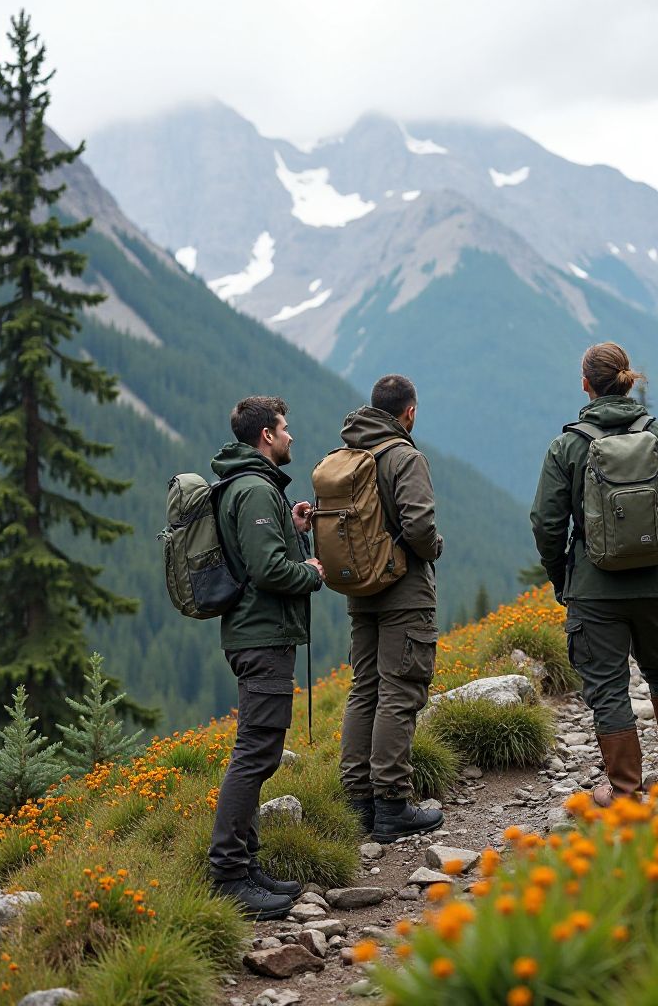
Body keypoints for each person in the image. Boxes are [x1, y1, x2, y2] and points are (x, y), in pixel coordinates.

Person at [530, 343, 658, 805]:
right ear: (627, 379)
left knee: (608, 688)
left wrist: (561, 577)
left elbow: (547, 524)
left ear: (586, 384)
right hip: (656, 583)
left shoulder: (567, 445)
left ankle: (627, 792)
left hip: (593, 590)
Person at [207, 396, 325, 919]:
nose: (291, 437)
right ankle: (228, 874)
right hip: (262, 638)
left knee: (260, 750)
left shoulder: (253, 486)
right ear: (266, 436)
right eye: (285, 428)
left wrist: (293, 530)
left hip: (256, 635)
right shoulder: (255, 488)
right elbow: (269, 570)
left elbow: (264, 550)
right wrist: (313, 573)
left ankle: (247, 865)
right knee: (256, 752)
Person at [338, 374, 446, 843]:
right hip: (404, 593)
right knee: (400, 691)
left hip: (361, 593)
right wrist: (435, 547)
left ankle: (357, 801)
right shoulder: (405, 457)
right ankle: (392, 806)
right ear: (410, 412)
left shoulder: (350, 456)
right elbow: (419, 526)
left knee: (365, 689)